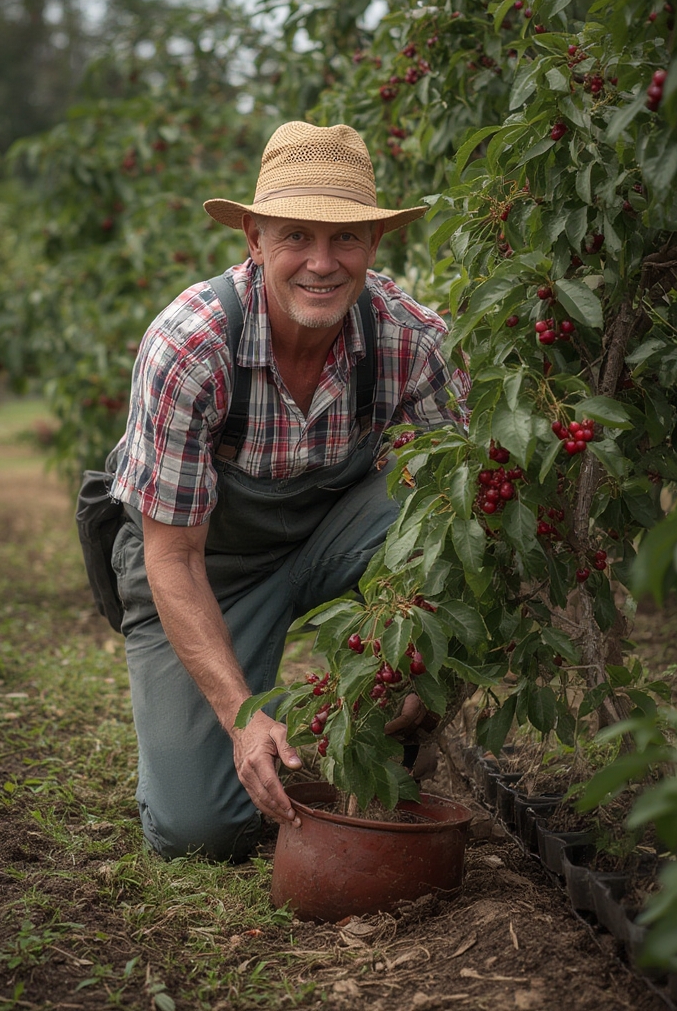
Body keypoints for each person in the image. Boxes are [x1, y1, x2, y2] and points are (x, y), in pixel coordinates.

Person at [107, 120, 469, 862]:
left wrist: (430, 665)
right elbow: (171, 556)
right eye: (296, 236)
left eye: (345, 240)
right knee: (200, 834)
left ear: (374, 246)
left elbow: (465, 512)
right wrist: (241, 716)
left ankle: (394, 745)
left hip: (337, 545)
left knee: (441, 492)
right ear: (254, 237)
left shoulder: (412, 340)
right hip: (211, 571)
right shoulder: (191, 346)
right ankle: (240, 742)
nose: (322, 263)